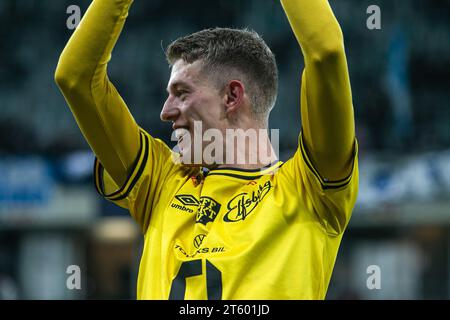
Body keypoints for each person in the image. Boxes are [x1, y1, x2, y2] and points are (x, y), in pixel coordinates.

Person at [55, 0, 358, 300]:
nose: (165, 111)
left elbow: (326, 52)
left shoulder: (309, 191)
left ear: (231, 96)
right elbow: (76, 77)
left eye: (181, 93)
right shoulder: (160, 182)